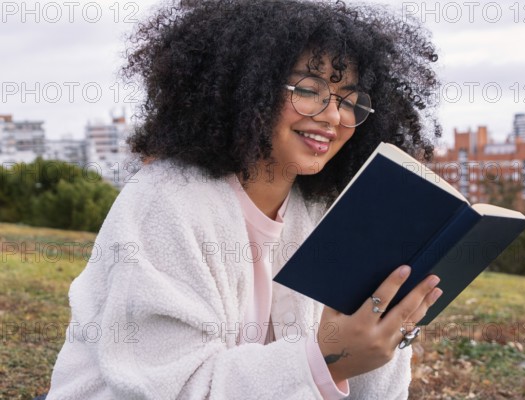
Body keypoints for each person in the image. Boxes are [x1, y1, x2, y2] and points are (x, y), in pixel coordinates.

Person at [47, 0, 443, 398]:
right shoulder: (166, 204)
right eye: (309, 90)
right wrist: (324, 358)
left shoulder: (325, 212)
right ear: (245, 87)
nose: (333, 117)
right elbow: (170, 389)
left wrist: (384, 332)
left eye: (348, 100)